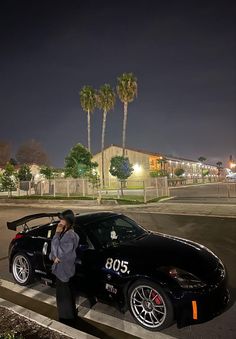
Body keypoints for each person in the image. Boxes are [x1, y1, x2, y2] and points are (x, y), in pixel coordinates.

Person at [49, 209, 79, 327]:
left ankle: (67, 320)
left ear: (68, 221)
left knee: (64, 298)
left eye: (62, 219)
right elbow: (53, 252)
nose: (59, 222)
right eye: (60, 219)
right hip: (63, 270)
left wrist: (56, 234)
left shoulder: (69, 235)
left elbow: (59, 253)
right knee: (65, 296)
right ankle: (68, 317)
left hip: (64, 271)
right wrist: (53, 256)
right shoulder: (65, 232)